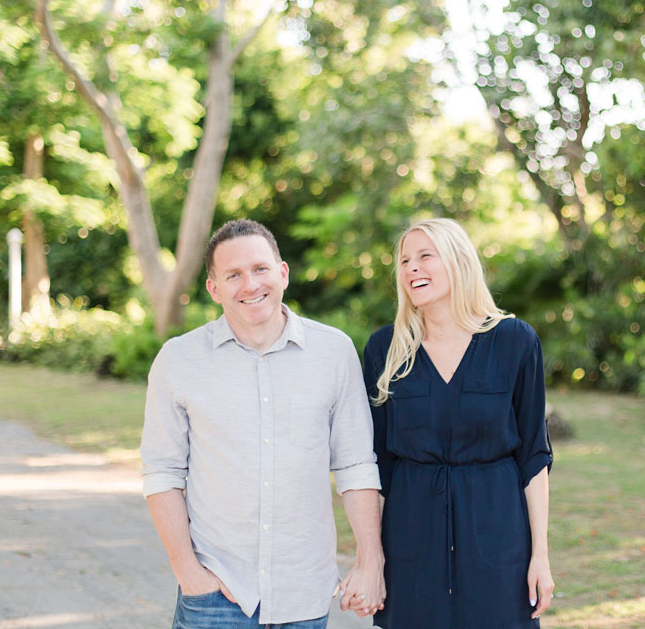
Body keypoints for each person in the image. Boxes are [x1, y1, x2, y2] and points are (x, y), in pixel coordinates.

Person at [141, 219, 385, 628]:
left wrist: (370, 561)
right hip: (215, 593)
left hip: (304, 592)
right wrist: (188, 573)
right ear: (214, 288)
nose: (250, 285)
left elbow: (356, 465)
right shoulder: (178, 360)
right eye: (233, 275)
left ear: (283, 273)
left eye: (260, 269)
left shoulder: (334, 352)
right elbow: (162, 472)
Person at [363, 218, 554, 629]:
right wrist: (370, 559)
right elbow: (375, 465)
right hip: (412, 543)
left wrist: (540, 554)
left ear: (458, 261)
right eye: (404, 261)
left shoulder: (515, 341)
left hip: (498, 541)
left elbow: (534, 457)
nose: (412, 267)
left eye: (425, 256)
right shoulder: (385, 350)